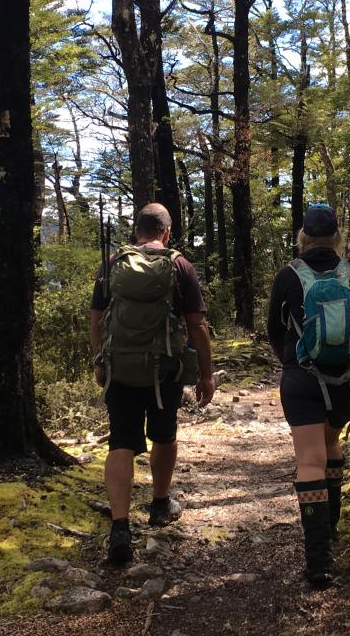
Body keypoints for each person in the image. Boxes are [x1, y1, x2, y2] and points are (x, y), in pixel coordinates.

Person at [267, 204, 350, 587]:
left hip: (301, 380)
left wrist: (290, 360)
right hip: (344, 381)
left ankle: (318, 561)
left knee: (309, 461)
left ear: (303, 235)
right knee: (332, 448)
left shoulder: (288, 276)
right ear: (337, 236)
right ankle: (332, 527)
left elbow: (274, 330)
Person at [90, 203, 216, 564]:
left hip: (120, 369)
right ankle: (160, 504)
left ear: (136, 231)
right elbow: (197, 325)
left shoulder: (113, 264)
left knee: (121, 442)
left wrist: (100, 361)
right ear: (167, 231)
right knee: (164, 434)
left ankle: (120, 528)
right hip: (165, 370)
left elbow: (96, 319)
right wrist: (206, 374)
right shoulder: (180, 265)